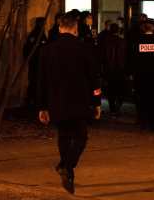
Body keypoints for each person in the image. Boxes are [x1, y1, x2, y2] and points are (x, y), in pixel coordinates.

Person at [38, 14, 102, 194]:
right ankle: (66, 166)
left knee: (63, 137)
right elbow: (94, 78)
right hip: (80, 101)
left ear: (59, 28)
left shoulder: (47, 50)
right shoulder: (85, 48)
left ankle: (68, 172)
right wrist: (96, 102)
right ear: (75, 29)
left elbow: (41, 81)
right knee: (81, 137)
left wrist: (42, 107)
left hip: (56, 100)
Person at [128, 18, 154, 132]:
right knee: (153, 100)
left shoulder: (137, 40)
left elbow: (133, 59)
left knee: (143, 99)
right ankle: (152, 124)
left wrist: (131, 73)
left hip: (140, 75)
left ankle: (143, 120)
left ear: (144, 28)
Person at [98, 23, 128, 117]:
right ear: (118, 31)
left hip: (109, 70)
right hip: (121, 70)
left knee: (110, 90)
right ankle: (118, 105)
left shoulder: (105, 42)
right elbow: (128, 57)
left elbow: (101, 56)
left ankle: (112, 110)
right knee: (122, 90)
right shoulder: (124, 42)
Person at [24, 17, 48, 111]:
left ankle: (34, 102)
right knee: (34, 82)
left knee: (36, 83)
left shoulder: (41, 34)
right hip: (35, 63)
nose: (43, 25)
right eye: (42, 23)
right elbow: (29, 48)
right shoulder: (35, 34)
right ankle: (30, 101)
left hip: (38, 62)